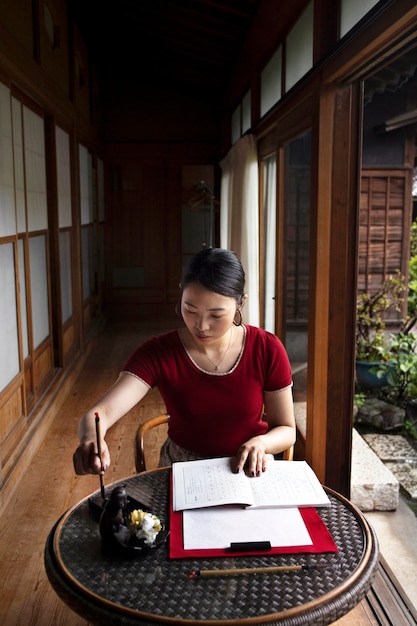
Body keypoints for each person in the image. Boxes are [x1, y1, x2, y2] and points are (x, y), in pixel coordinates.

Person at [73, 248, 296, 478]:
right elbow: (99, 414)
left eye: (216, 315)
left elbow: (286, 429)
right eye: (190, 309)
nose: (201, 325)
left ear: (241, 304)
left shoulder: (266, 348)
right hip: (182, 470)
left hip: (248, 467)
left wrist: (262, 443)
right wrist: (91, 437)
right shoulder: (159, 352)